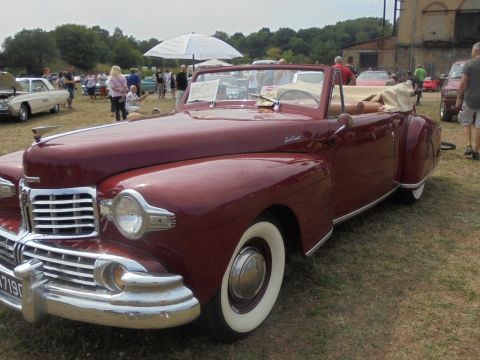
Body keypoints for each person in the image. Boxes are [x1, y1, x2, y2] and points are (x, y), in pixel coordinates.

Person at [456, 42, 480, 160]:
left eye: (472, 49)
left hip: (470, 98)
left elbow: (463, 83)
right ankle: (476, 151)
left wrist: (459, 98)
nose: (471, 51)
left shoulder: (469, 64)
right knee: (479, 126)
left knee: (466, 121)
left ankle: (468, 146)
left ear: (476, 51)